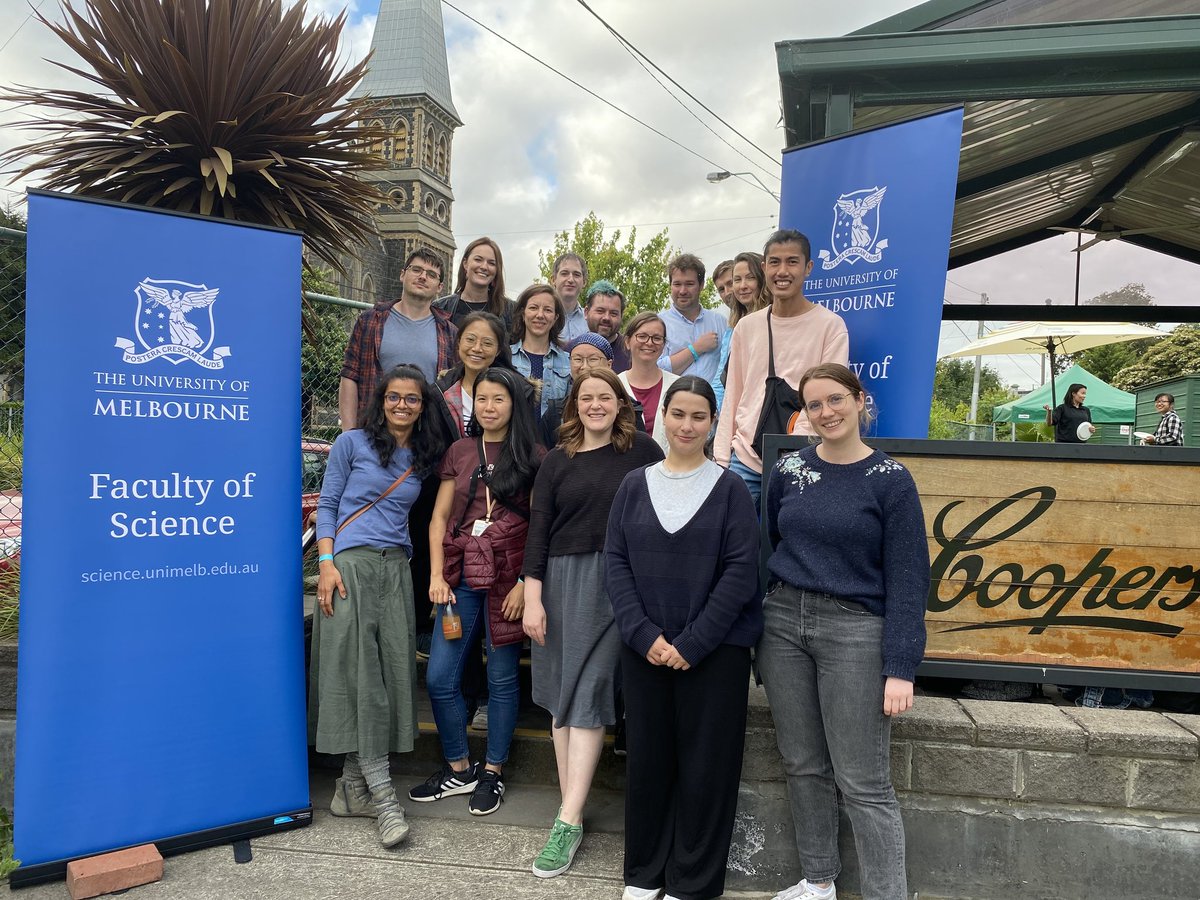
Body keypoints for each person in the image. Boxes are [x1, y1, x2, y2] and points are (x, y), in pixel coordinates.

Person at [758, 363, 929, 900]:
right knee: (803, 763)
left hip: (855, 632)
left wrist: (900, 667)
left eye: (835, 400)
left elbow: (909, 577)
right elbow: (769, 547)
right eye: (814, 405)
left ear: (859, 400)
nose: (826, 412)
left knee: (864, 782)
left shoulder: (891, 481)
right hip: (783, 625)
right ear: (803, 414)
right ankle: (818, 880)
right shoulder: (789, 471)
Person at [606, 376, 762, 900]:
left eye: (699, 416)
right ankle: (644, 873)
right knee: (648, 763)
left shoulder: (732, 489)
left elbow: (742, 572)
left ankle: (691, 882)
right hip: (644, 649)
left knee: (707, 768)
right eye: (679, 414)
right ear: (662, 416)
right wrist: (642, 633)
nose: (687, 425)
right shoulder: (634, 485)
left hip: (715, 654)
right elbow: (616, 562)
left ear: (713, 422)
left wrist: (694, 642)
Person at [521, 368, 664, 878]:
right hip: (558, 584)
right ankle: (572, 807)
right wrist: (533, 596)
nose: (596, 404)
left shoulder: (644, 452)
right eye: (587, 397)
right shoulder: (556, 461)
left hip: (617, 583)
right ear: (574, 404)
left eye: (606, 396)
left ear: (620, 403)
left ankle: (566, 818)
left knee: (588, 695)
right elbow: (538, 532)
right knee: (562, 698)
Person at [310, 365, 448, 848]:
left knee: (390, 673)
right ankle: (384, 797)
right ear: (381, 399)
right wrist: (326, 564)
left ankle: (350, 789)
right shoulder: (351, 443)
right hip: (349, 564)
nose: (402, 405)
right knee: (361, 675)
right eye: (394, 397)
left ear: (422, 405)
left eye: (412, 399)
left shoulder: (426, 456)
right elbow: (327, 506)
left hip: (396, 569)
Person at [413, 367, 544, 816]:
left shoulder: (533, 455)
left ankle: (493, 771)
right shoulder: (460, 450)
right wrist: (435, 576)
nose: (489, 408)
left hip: (509, 578)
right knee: (440, 677)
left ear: (515, 405)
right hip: (459, 576)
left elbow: (542, 526)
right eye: (482, 400)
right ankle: (459, 767)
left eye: (499, 400)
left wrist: (528, 582)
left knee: (502, 677)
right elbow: (438, 518)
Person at [715, 230, 849, 511]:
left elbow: (831, 396)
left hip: (804, 455)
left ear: (808, 268)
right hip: (745, 458)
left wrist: (793, 445)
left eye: (792, 262)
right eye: (774, 262)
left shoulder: (830, 326)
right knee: (736, 550)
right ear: (764, 268)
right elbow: (734, 394)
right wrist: (722, 457)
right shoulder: (746, 327)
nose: (782, 271)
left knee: (790, 547)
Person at [339, 248, 457, 429]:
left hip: (425, 437)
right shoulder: (370, 321)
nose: (423, 277)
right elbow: (349, 376)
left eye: (431, 275)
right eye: (416, 270)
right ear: (403, 274)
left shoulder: (449, 333)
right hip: (373, 430)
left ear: (440, 287)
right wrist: (348, 433)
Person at [437, 312, 518, 439]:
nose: (477, 348)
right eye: (470, 340)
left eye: (487, 343)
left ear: (498, 351)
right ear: (459, 343)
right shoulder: (440, 393)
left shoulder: (516, 391)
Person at [713, 251, 771, 410]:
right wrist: (715, 410)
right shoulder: (732, 327)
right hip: (734, 411)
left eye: (750, 278)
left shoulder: (773, 319)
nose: (742, 286)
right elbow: (722, 377)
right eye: (737, 280)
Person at [657, 253, 728, 381]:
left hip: (714, 400)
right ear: (670, 286)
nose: (683, 291)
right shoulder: (658, 324)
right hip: (673, 400)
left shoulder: (720, 322)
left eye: (689, 284)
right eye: (677, 284)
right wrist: (696, 349)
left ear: (701, 286)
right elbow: (656, 369)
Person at [618, 311, 679, 451]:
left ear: (663, 345)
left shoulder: (678, 387)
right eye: (642, 336)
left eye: (657, 338)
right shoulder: (613, 386)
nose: (649, 343)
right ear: (627, 341)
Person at [510, 283, 571, 420]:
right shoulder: (505, 358)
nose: (540, 315)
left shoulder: (568, 362)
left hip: (555, 440)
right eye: (533, 308)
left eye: (548, 310)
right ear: (522, 313)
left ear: (555, 318)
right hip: (513, 440)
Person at [435, 237, 516, 338]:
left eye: (491, 263)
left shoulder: (511, 310)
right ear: (465, 263)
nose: (484, 267)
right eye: (478, 260)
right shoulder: (440, 307)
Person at [585, 280, 631, 373]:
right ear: (586, 312)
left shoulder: (632, 352)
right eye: (600, 311)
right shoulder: (571, 349)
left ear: (621, 316)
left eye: (613, 313)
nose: (606, 318)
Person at [551, 252, 590, 342]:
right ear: (553, 280)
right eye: (564, 273)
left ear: (584, 282)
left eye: (576, 275)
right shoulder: (542, 317)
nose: (570, 280)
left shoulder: (591, 320)